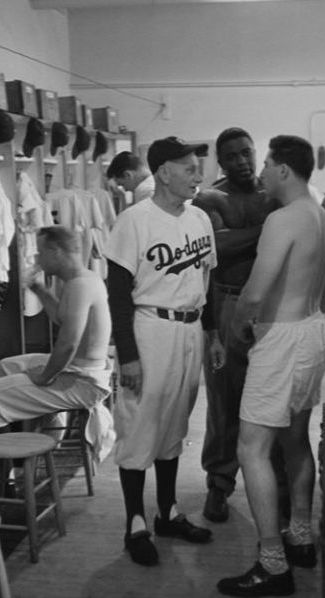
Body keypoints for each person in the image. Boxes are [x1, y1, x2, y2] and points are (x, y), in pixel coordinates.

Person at [217, 135, 325, 597]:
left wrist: (238, 329)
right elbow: (323, 286)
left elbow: (253, 290)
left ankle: (273, 564)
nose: (262, 171)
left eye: (267, 163)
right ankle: (301, 537)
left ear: (285, 169)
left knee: (251, 448)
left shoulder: (283, 219)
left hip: (285, 337)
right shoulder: (322, 218)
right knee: (294, 439)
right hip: (313, 329)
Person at [104, 136, 225, 567]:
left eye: (198, 168)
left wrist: (211, 335)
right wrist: (128, 354)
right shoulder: (134, 221)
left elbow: (205, 286)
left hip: (190, 330)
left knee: (174, 426)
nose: (198, 176)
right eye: (189, 168)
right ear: (164, 173)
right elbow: (117, 293)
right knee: (140, 427)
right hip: (150, 327)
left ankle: (168, 513)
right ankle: (134, 523)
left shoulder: (200, 220)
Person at [193, 127, 281, 524]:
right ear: (221, 160)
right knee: (224, 399)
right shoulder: (211, 197)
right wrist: (270, 231)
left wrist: (242, 236)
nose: (242, 161)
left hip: (273, 306)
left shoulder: (275, 191)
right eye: (232, 156)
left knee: (274, 398)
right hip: (227, 302)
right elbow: (216, 248)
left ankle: (277, 485)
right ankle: (219, 484)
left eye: (247, 152)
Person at [0, 226, 113, 436]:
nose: (38, 258)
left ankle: (8, 466)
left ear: (56, 252)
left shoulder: (80, 285)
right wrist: (39, 289)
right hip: (78, 370)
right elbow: (62, 318)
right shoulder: (82, 279)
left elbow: (68, 343)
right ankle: (37, 448)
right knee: (5, 367)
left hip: (84, 381)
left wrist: (45, 377)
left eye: (41, 252)